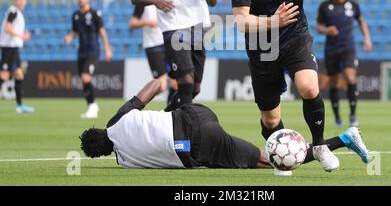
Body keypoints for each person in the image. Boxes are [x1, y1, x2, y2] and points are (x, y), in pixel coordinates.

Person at [231, 0, 370, 172]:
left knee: (308, 86)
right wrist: (274, 21)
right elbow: (241, 21)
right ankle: (294, 155)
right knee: (271, 120)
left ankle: (318, 144)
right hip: (263, 47)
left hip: (296, 38)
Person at [79, 79, 370, 171]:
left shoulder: (125, 162)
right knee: (271, 158)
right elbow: (153, 86)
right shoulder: (116, 120)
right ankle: (343, 139)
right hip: (194, 114)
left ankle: (341, 140)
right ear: (101, 130)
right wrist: (170, 78)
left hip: (195, 144)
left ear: (103, 153)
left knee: (274, 161)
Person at [316, 0, 372, 127]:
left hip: (348, 47)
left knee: (350, 77)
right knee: (334, 81)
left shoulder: (352, 4)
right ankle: (337, 117)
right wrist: (327, 30)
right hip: (332, 49)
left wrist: (367, 38)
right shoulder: (325, 6)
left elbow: (361, 21)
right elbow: (319, 27)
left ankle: (353, 115)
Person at [64, 0, 112, 118]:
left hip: (93, 51)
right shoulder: (75, 15)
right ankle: (92, 105)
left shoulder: (95, 13)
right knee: (83, 80)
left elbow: (102, 31)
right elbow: (75, 31)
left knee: (86, 77)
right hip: (81, 52)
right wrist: (69, 37)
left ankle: (92, 106)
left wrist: (107, 48)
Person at [129, 0, 178, 104]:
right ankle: (135, 104)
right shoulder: (143, 1)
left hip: (168, 43)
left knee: (175, 83)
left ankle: (170, 111)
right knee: (162, 86)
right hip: (153, 46)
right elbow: (132, 23)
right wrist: (147, 22)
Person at [0, 0, 33, 113]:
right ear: (16, 0)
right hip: (9, 48)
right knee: (4, 75)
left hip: (14, 49)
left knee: (19, 75)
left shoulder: (18, 12)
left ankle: (19, 105)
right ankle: (19, 105)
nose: (22, 2)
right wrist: (21, 36)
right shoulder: (13, 11)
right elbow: (7, 28)